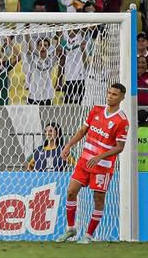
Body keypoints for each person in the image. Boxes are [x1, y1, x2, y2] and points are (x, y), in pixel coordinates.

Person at [56, 84, 129, 244]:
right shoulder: (96, 110)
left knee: (98, 199)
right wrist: (69, 145)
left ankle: (88, 235)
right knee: (70, 191)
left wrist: (100, 156)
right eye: (109, 93)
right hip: (84, 161)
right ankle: (70, 228)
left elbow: (120, 147)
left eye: (114, 94)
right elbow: (83, 131)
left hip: (102, 167)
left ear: (122, 97)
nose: (110, 96)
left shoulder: (122, 121)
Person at [23, 35, 57, 105]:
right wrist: (27, 33)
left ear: (48, 48)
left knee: (48, 116)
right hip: (33, 97)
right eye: (40, 45)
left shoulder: (51, 59)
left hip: (47, 96)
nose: (43, 47)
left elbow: (58, 46)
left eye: (45, 45)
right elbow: (30, 48)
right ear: (37, 48)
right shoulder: (32, 59)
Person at [58, 29, 88, 104]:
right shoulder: (64, 38)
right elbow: (62, 59)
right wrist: (59, 79)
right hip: (68, 78)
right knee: (67, 104)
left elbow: (86, 29)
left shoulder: (81, 36)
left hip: (80, 77)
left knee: (79, 104)